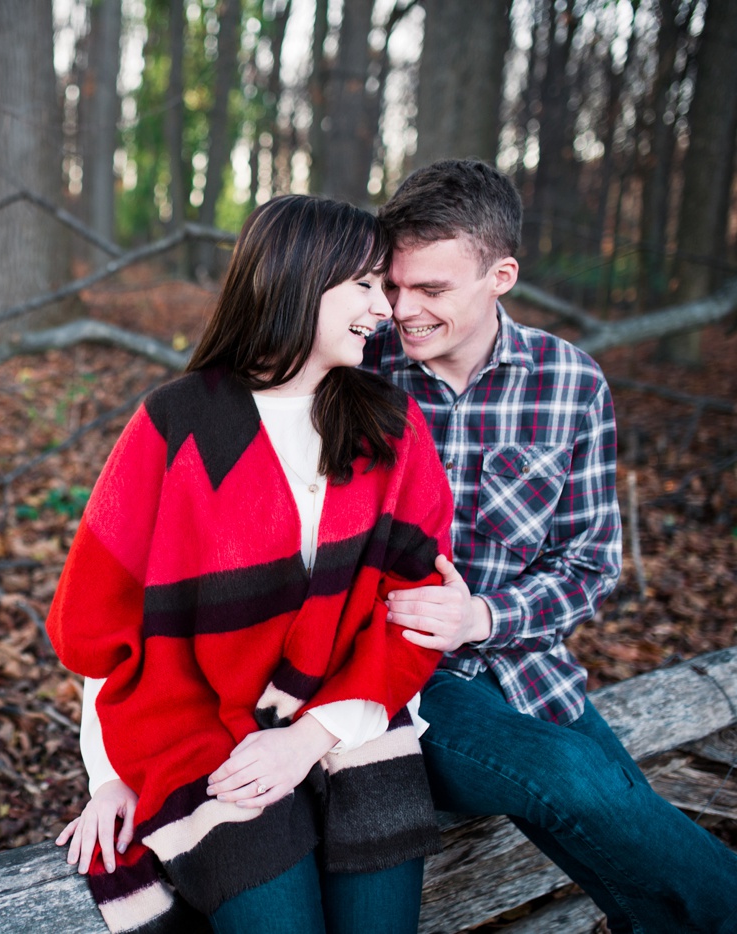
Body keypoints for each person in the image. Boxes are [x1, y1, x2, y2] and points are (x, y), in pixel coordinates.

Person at [48, 194, 456, 934]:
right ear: (300, 279)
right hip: (201, 736)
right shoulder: (177, 426)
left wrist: (307, 740)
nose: (385, 308)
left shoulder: (390, 428)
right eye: (364, 284)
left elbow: (414, 612)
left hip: (350, 722)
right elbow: (104, 622)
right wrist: (109, 775)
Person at [366, 158, 737, 933]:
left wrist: (485, 619)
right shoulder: (361, 372)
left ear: (500, 275)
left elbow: (589, 563)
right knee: (573, 777)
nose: (403, 309)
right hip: (402, 685)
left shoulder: (570, 382)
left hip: (527, 665)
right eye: (394, 285)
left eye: (431, 290)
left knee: (620, 812)